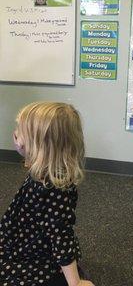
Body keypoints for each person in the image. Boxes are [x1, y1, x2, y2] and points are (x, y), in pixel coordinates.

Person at [0, 102, 94, 286]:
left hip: (30, 246)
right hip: (23, 241)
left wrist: (75, 283)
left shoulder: (54, 189)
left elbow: (60, 236)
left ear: (40, 148)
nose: (15, 135)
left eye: (19, 133)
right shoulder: (44, 172)